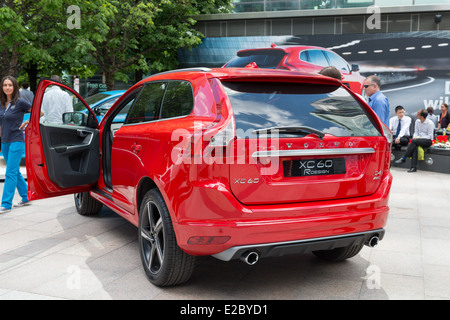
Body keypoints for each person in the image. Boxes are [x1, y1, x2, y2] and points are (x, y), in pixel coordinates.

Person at [0, 76, 31, 213]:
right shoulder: (1, 103)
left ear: (14, 87)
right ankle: (26, 196)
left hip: (17, 140)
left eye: (10, 85)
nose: (7, 87)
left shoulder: (20, 102)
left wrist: (27, 121)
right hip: (4, 141)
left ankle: (6, 204)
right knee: (15, 171)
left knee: (10, 172)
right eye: (5, 85)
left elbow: (40, 112)